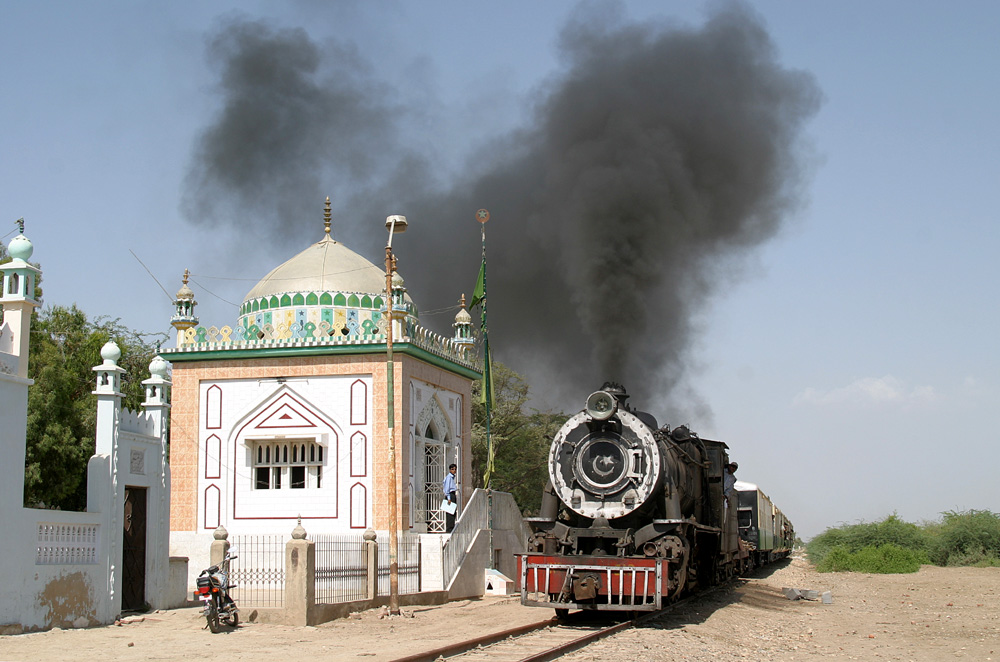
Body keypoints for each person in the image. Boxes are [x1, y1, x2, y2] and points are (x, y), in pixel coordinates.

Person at [442, 463, 458, 532]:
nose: (454, 470)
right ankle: (449, 529)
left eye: (455, 469)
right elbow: (447, 489)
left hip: (452, 495)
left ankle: (452, 527)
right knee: (450, 513)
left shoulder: (452, 477)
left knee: (453, 512)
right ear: (449, 470)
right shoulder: (449, 478)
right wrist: (449, 498)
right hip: (450, 496)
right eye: (452, 469)